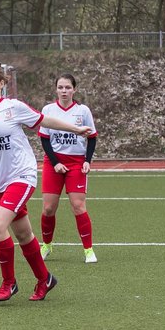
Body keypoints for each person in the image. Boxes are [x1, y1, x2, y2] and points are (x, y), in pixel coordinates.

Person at [0, 62, 91, 301]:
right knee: (24, 235)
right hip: (1, 182)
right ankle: (45, 279)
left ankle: (9, 283)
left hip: (22, 176)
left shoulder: (12, 107)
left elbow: (45, 120)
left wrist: (75, 129)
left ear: (2, 84)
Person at [37, 73, 99, 263]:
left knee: (78, 206)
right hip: (53, 162)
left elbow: (92, 137)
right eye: (60, 87)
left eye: (67, 87)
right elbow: (44, 139)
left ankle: (88, 250)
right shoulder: (48, 110)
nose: (64, 91)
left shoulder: (83, 111)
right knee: (48, 208)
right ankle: (47, 245)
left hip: (76, 163)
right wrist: (55, 163)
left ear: (74, 89)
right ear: (56, 89)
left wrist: (87, 160)